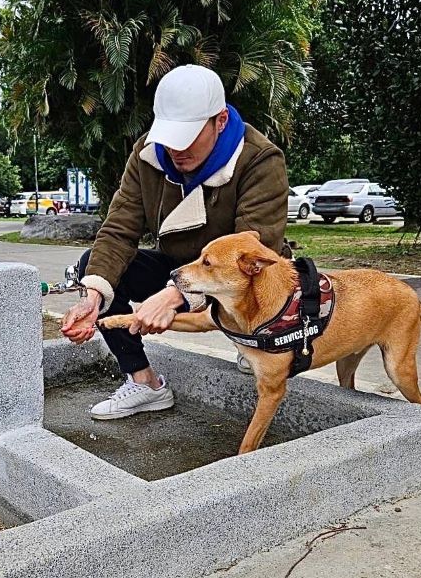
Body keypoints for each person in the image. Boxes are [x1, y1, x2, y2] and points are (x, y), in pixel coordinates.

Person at [61, 64, 290, 419]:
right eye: (170, 136)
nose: (176, 150)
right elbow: (119, 228)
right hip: (178, 265)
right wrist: (93, 296)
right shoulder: (148, 153)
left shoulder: (259, 158)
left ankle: (251, 337)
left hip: (241, 279)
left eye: (189, 137)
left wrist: (173, 296)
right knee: (94, 264)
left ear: (221, 121)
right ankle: (144, 382)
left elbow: (256, 245)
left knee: (252, 297)